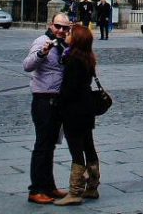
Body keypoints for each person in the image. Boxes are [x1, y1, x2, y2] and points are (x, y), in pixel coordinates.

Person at [22, 13, 72, 204]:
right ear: (51, 25)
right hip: (43, 99)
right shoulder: (42, 41)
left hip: (57, 100)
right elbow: (27, 65)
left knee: (50, 145)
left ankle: (49, 186)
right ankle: (35, 190)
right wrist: (42, 53)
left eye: (65, 28)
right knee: (42, 145)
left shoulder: (64, 45)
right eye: (58, 26)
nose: (61, 30)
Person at [55, 25, 101, 205]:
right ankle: (92, 187)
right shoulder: (88, 57)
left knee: (76, 150)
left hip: (74, 110)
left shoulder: (73, 60)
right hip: (87, 108)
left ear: (76, 40)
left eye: (70, 33)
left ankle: (75, 192)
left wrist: (58, 105)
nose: (67, 35)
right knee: (89, 146)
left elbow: (69, 89)